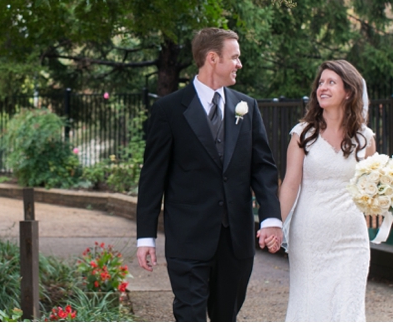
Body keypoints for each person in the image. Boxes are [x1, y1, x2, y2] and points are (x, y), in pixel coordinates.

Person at [136, 27, 283, 322]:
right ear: (213, 58)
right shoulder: (169, 110)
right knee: (189, 313)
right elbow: (153, 177)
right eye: (235, 57)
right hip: (188, 239)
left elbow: (263, 168)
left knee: (226, 316)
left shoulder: (247, 107)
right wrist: (145, 237)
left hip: (236, 241)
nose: (239, 64)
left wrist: (271, 218)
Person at [275, 59, 376, 321]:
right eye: (321, 83)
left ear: (349, 92)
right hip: (310, 237)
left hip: (352, 238)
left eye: (331, 82)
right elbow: (290, 184)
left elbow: (370, 187)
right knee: (311, 304)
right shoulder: (303, 134)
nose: (323, 87)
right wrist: (276, 225)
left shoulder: (365, 138)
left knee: (348, 307)